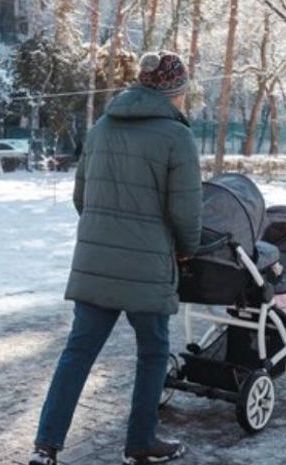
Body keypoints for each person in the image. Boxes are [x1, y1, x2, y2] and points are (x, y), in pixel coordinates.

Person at [29, 51, 202, 465]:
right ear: (174, 92)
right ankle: (140, 443)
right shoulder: (177, 137)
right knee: (153, 353)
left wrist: (104, 234)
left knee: (78, 352)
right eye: (182, 92)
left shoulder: (102, 127)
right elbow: (187, 212)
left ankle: (46, 446)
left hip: (97, 262)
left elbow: (81, 197)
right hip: (148, 266)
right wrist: (185, 251)